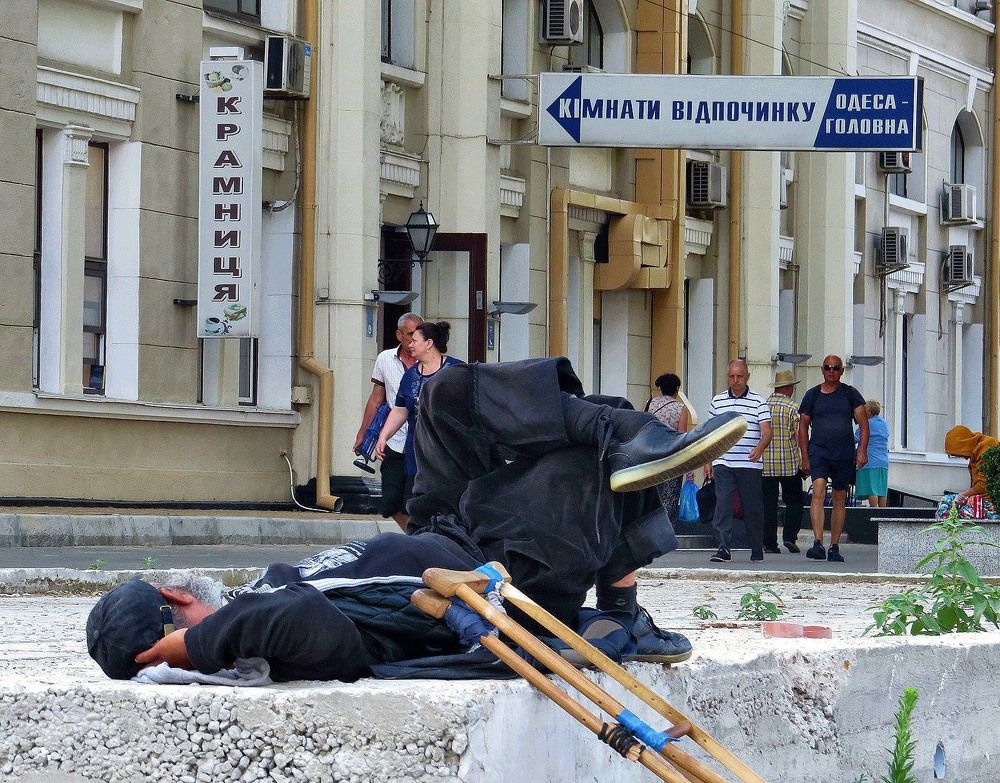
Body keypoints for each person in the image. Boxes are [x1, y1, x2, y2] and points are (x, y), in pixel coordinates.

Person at [88, 358, 748, 680]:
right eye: (171, 608)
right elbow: (305, 621)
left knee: (442, 392)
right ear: (174, 599)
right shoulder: (264, 641)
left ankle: (636, 438)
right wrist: (195, 648)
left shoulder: (257, 600)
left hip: (446, 523)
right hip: (497, 571)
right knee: (583, 461)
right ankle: (623, 602)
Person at [354, 312, 422, 530]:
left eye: (419, 334)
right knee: (390, 503)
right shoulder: (385, 359)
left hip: (420, 442)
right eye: (410, 334)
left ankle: (420, 540)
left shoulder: (428, 360)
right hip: (393, 438)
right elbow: (376, 398)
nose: (414, 339)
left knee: (412, 502)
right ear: (399, 335)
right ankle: (415, 538)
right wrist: (363, 433)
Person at [797, 355, 868, 563]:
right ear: (822, 370)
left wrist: (862, 451)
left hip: (843, 453)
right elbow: (802, 427)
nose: (831, 371)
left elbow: (864, 425)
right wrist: (804, 456)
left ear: (841, 371)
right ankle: (817, 543)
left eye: (835, 368)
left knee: (839, 497)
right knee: (817, 491)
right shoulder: (812, 395)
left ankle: (834, 546)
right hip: (819, 451)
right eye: (828, 367)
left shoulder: (850, 394)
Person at [376, 321, 463, 484]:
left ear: (428, 343)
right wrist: (383, 437)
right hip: (417, 452)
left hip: (449, 452)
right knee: (414, 494)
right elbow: (400, 410)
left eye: (415, 341)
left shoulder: (456, 370)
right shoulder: (410, 375)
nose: (410, 345)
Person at [704, 359, 772, 563]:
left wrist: (759, 448)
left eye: (739, 376)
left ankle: (756, 547)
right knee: (723, 504)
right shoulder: (718, 401)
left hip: (749, 463)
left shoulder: (759, 401)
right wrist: (707, 460)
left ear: (747, 376)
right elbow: (710, 432)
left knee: (752, 507)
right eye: (732, 376)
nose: (736, 380)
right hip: (723, 461)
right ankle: (723, 547)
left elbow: (767, 431)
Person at [762, 369, 804, 553]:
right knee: (794, 501)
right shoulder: (793, 408)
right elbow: (800, 436)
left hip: (765, 464)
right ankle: (790, 537)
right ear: (788, 388)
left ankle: (769, 543)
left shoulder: (763, 406)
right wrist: (805, 459)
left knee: (768, 504)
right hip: (789, 463)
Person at [645, 373, 690, 523]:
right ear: (676, 389)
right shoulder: (680, 409)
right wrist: (689, 468)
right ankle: (667, 529)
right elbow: (681, 438)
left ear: (661, 388)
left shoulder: (650, 403)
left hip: (651, 458)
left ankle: (650, 528)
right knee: (669, 500)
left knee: (651, 499)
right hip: (671, 460)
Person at [944, 424, 1000, 498]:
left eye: (959, 454)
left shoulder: (987, 445)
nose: (963, 458)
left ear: (964, 445)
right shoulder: (974, 451)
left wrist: (962, 495)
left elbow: (984, 484)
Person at [856, 400, 890, 508]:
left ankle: (873, 510)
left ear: (869, 411)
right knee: (881, 490)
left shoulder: (866, 423)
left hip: (870, 460)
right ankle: (883, 513)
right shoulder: (884, 423)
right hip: (883, 462)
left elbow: (856, 438)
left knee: (873, 490)